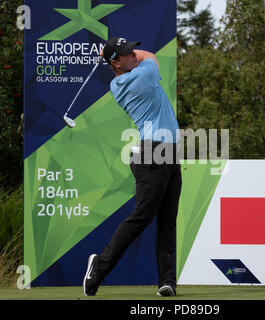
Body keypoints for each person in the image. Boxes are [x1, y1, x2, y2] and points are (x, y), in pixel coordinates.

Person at [83, 37, 182, 297]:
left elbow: (140, 57)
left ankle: (167, 282)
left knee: (167, 221)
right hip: (153, 152)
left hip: (168, 152)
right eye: (126, 54)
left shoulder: (120, 80)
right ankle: (99, 267)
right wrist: (130, 52)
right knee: (142, 217)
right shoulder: (140, 77)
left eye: (131, 50)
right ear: (115, 63)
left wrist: (117, 51)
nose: (133, 56)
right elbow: (151, 56)